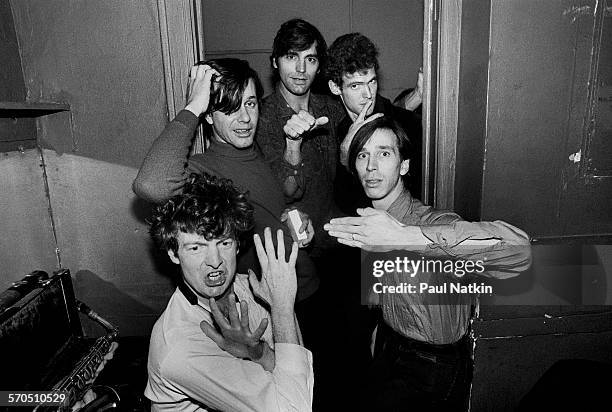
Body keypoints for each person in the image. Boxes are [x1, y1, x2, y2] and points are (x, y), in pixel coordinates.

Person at [324, 116, 532, 411]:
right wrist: (382, 330)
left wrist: (406, 237)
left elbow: (519, 253)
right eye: (363, 155)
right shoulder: (370, 221)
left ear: (404, 166)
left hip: (432, 364)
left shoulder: (432, 223)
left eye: (384, 153)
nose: (371, 166)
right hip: (389, 343)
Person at [132, 58, 319, 304]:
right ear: (208, 116)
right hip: (270, 304)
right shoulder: (202, 172)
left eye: (250, 104)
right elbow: (150, 185)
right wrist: (193, 107)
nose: (245, 118)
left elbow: (274, 200)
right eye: (230, 109)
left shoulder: (257, 150)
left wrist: (294, 216)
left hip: (307, 286)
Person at [145, 173, 312, 411]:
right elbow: (296, 407)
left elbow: (292, 381)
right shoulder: (181, 346)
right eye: (196, 247)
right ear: (173, 254)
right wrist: (283, 308)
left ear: (237, 245)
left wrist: (259, 352)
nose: (215, 261)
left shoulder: (249, 288)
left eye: (224, 243)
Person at [256, 18, 345, 251]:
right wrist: (293, 144)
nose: (301, 69)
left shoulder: (330, 107)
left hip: (338, 237)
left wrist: (417, 96)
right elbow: (288, 191)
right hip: (293, 244)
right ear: (275, 62)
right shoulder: (260, 118)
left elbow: (376, 119)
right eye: (291, 57)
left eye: (310, 59)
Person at [325, 32, 423, 211]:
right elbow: (342, 201)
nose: (368, 94)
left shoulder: (406, 125)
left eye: (372, 82)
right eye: (355, 86)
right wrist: (345, 153)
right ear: (335, 87)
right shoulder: (334, 127)